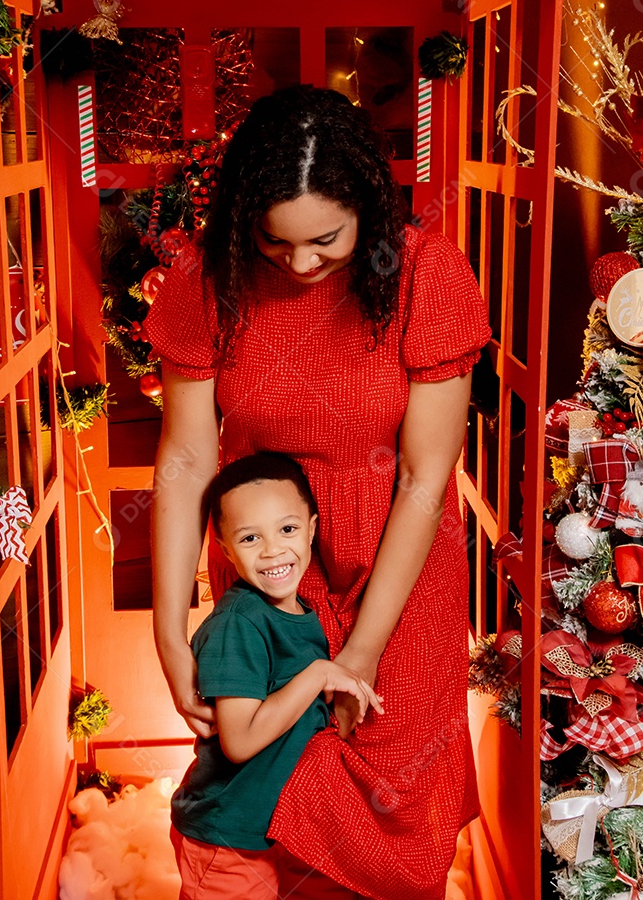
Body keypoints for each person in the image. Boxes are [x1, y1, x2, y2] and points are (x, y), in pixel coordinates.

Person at [145, 85, 491, 900]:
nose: (300, 265)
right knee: (263, 789)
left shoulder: (427, 273)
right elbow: (186, 459)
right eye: (275, 242)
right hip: (270, 566)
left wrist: (359, 653)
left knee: (397, 800)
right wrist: (169, 632)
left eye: (325, 241)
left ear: (366, 207)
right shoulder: (209, 275)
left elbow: (425, 477)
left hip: (398, 567)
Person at [170, 451, 383, 899]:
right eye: (250, 538)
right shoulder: (238, 624)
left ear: (312, 529)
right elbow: (240, 741)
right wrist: (319, 674)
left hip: (266, 832)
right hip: (225, 836)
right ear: (225, 548)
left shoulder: (302, 612)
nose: (272, 550)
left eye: (287, 529)